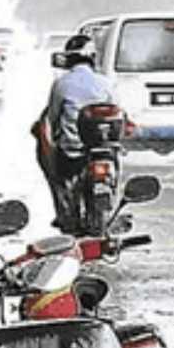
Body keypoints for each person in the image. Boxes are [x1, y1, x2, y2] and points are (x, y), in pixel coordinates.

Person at [35, 33, 115, 230]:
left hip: (72, 151)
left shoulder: (62, 84)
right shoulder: (105, 83)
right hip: (104, 149)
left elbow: (53, 118)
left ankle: (65, 213)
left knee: (56, 175)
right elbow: (117, 110)